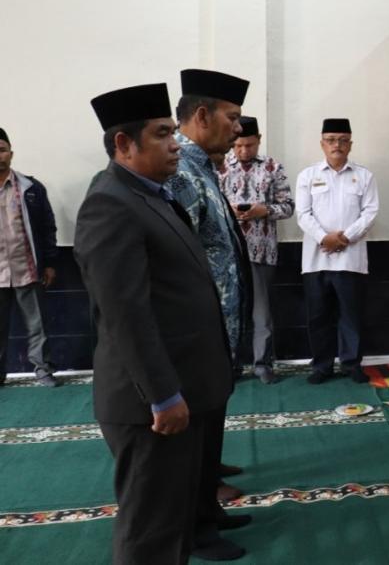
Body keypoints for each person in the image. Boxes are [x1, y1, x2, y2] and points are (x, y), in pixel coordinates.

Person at [76, 83, 234, 564]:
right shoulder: (110, 204)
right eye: (163, 134)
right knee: (151, 533)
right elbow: (125, 314)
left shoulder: (149, 194)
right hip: (150, 406)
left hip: (181, 386)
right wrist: (162, 395)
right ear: (124, 144)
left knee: (171, 525)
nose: (175, 145)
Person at [167, 68, 252, 560]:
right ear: (202, 115)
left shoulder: (202, 166)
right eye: (232, 117)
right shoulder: (181, 171)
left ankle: (209, 512)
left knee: (210, 427)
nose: (238, 128)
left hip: (217, 330)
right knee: (193, 437)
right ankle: (195, 530)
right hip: (199, 333)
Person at [295, 118, 379, 384]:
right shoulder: (308, 176)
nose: (337, 145)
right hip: (315, 260)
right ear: (322, 144)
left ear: (350, 144)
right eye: (331, 140)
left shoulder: (364, 176)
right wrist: (324, 238)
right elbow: (303, 214)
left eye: (343, 140)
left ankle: (351, 364)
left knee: (351, 315)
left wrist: (343, 238)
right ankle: (322, 366)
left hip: (351, 259)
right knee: (318, 316)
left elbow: (370, 212)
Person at [219, 116, 294, 385]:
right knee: (230, 311)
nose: (243, 151)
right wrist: (229, 212)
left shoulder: (273, 167)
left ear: (259, 140)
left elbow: (288, 207)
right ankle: (232, 365)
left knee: (262, 313)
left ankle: (262, 365)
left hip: (262, 251)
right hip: (229, 253)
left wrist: (265, 210)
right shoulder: (220, 167)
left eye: (249, 145)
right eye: (238, 146)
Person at [0, 127, 59, 387]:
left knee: (37, 325)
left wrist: (50, 263)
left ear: (11, 154)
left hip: (27, 267)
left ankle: (43, 370)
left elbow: (47, 227)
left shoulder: (31, 188)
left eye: (2, 150)